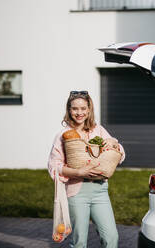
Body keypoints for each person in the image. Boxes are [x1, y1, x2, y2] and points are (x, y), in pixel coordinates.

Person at [48, 90, 125, 248]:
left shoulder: (98, 130)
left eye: (83, 108)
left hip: (100, 191)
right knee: (79, 242)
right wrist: (78, 172)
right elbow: (54, 166)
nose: (79, 113)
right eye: (75, 108)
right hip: (77, 193)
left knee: (111, 237)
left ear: (89, 110)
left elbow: (120, 153)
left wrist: (113, 141)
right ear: (69, 110)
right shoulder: (63, 135)